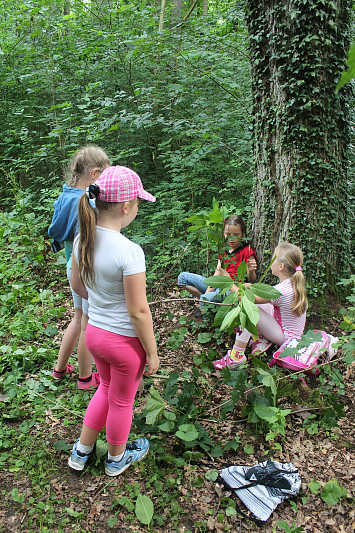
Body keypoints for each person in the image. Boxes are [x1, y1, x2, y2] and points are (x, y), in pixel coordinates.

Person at [68, 165, 159, 476]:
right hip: (123, 343)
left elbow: (78, 286)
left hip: (94, 333)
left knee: (104, 388)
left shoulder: (83, 239)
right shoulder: (129, 252)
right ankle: (116, 459)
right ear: (125, 207)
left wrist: (100, 302)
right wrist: (153, 351)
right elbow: (138, 312)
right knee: (122, 401)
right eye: (137, 203)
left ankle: (81, 452)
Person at [48, 145, 110, 388]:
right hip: (84, 268)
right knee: (86, 323)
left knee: (77, 318)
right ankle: (85, 378)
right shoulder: (85, 201)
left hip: (70, 266)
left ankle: (59, 369)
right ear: (94, 174)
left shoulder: (66, 195)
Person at [213, 242, 308, 369]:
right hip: (289, 332)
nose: (271, 263)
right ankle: (258, 338)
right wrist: (249, 286)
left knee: (248, 308)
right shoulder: (291, 284)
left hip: (285, 338)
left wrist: (229, 282)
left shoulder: (281, 291)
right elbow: (266, 295)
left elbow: (248, 299)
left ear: (281, 266)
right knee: (263, 307)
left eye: (273, 259)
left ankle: (237, 357)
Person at [178, 215, 257, 306]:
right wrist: (207, 292)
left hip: (232, 289)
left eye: (236, 235)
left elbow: (252, 280)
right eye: (228, 234)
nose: (231, 238)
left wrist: (251, 270)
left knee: (207, 298)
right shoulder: (223, 250)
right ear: (223, 233)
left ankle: (206, 306)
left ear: (242, 233)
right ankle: (206, 301)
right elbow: (217, 273)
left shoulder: (247, 251)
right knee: (182, 278)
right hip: (218, 284)